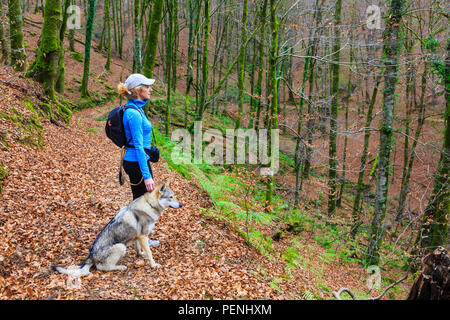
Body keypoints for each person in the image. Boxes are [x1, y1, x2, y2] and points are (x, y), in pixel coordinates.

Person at [117, 73, 156, 199]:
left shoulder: (138, 109)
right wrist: (147, 176)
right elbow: (138, 146)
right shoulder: (133, 113)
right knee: (142, 205)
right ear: (138, 90)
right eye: (147, 86)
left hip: (139, 159)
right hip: (136, 161)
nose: (151, 89)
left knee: (142, 204)